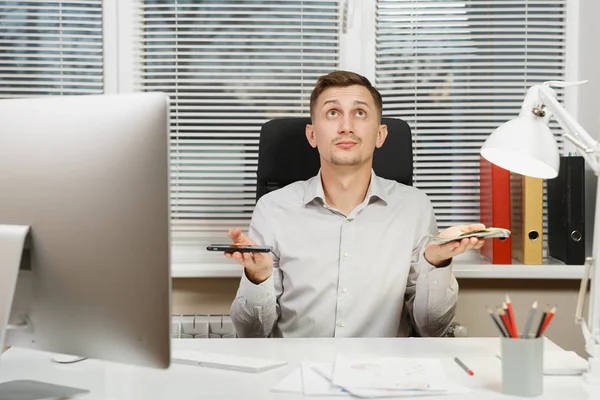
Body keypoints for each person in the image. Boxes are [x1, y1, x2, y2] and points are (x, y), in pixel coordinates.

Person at [225, 70, 485, 338]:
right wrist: (259, 278)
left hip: (382, 374)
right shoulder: (272, 209)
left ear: (381, 134)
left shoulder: (414, 208)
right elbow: (251, 335)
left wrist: (437, 263)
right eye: (333, 113)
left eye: (360, 113)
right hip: (296, 371)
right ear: (312, 135)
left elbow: (432, 329)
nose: (346, 126)